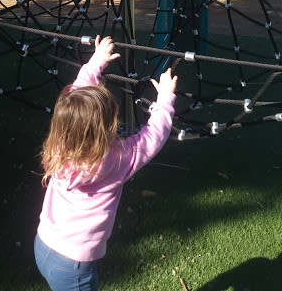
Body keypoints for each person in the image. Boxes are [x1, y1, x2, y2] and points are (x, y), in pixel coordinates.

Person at [34, 35, 178, 291]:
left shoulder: (59, 146)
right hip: (74, 266)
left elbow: (78, 94)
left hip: (44, 243)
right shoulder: (114, 161)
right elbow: (152, 137)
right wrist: (165, 99)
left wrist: (96, 61)